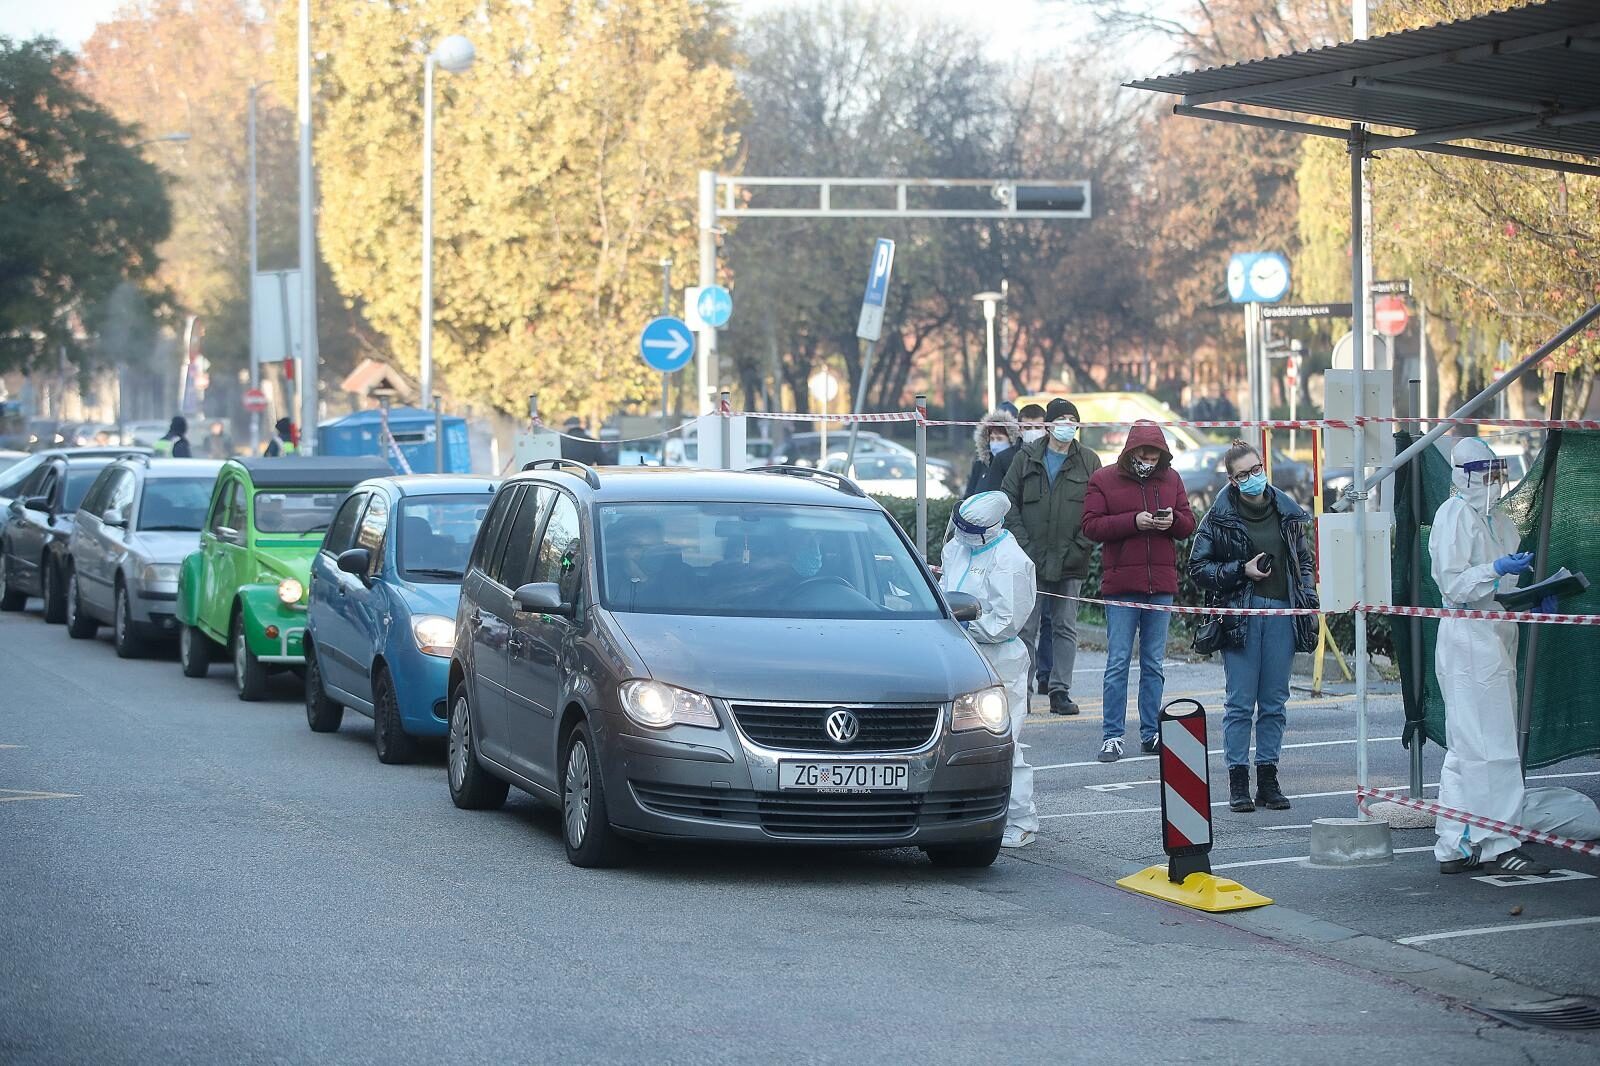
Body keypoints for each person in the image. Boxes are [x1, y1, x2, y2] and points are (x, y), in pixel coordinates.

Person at [1429, 438, 1552, 876]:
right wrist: (1494, 571)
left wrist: (1531, 595)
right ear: (1463, 475)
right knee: (1488, 745)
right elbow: (1454, 585)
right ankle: (1500, 842)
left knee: (1470, 747)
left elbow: (1501, 589)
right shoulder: (1453, 515)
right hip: (1468, 640)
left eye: (1498, 471)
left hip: (1494, 637)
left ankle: (1456, 843)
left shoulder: (1499, 522)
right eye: (1486, 472)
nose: (1494, 481)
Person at [1188, 438, 1318, 812]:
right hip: (1240, 616)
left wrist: (1307, 599)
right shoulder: (1218, 517)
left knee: (1275, 702)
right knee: (1240, 703)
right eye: (1243, 474)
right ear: (1231, 480)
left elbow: (1304, 562)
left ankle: (1268, 779)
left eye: (1256, 469)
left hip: (1282, 614)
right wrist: (1240, 570)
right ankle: (1238, 781)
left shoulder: (1287, 511)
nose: (1252, 478)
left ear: (1264, 466)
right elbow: (1198, 568)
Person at [1082, 420, 1197, 761]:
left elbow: (1188, 523)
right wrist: (1133, 521)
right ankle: (1112, 736)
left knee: (1153, 663)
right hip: (1121, 586)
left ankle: (1151, 733)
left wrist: (1172, 521)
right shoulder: (1103, 479)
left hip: (1160, 585)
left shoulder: (1171, 479)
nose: (1148, 461)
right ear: (1130, 451)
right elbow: (1090, 525)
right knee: (1118, 662)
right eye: (1143, 455)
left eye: (1154, 456)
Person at [940, 491, 1039, 848]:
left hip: (1000, 659)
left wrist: (966, 625)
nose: (960, 533)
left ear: (988, 529)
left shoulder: (1011, 561)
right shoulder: (957, 549)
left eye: (968, 529)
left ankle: (1022, 819)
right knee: (961, 740)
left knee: (1005, 739)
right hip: (959, 653)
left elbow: (1006, 622)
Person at [1002, 397, 1101, 716]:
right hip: (1029, 559)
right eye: (1061, 419)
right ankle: (1022, 691)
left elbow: (1098, 508)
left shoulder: (1089, 460)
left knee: (1065, 627)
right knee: (1025, 629)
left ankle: (1060, 690)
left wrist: (1080, 547)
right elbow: (1007, 501)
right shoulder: (1026, 458)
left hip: (1071, 561)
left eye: (1073, 420)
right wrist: (1024, 546)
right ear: (1048, 424)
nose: (1067, 425)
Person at [963, 408, 1020, 497]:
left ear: (1011, 441)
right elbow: (968, 495)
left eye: (999, 439)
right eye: (992, 439)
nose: (995, 443)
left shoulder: (1018, 467)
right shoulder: (980, 465)